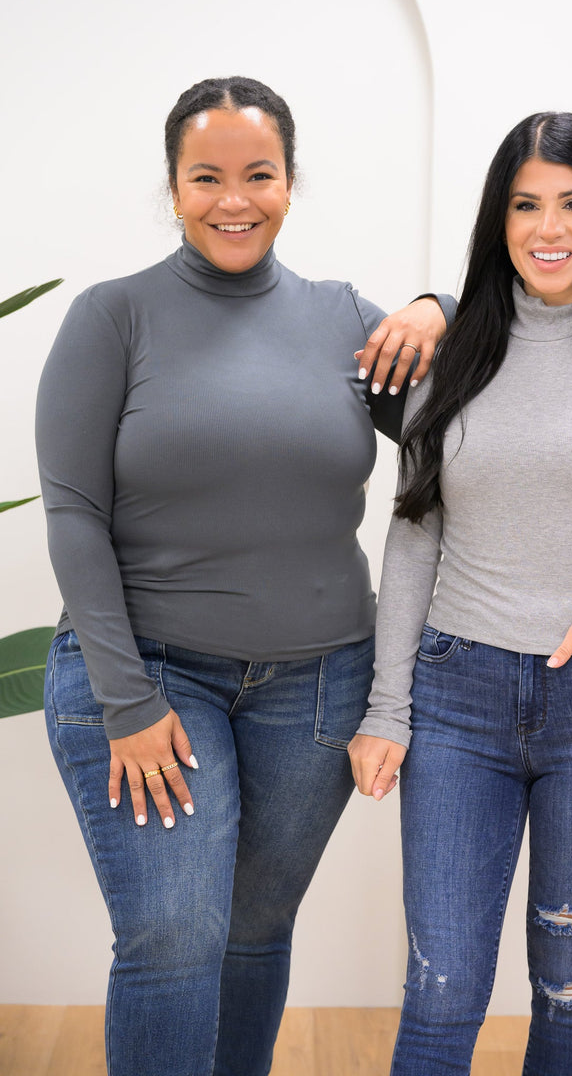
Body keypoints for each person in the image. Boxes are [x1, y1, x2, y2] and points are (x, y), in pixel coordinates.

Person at [36, 76, 454, 1076]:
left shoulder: (345, 318)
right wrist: (127, 701)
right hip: (149, 678)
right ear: (173, 186)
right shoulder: (114, 317)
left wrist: (442, 306)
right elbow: (73, 513)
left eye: (259, 175)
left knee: (256, 933)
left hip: (319, 687)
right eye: (206, 178)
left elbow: (470, 426)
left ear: (290, 183)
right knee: (174, 936)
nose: (235, 200)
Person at [349, 111, 572, 1076]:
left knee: (569, 989)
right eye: (525, 205)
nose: (548, 228)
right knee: (441, 991)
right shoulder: (453, 353)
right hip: (455, 705)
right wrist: (387, 707)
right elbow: (414, 533)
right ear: (498, 219)